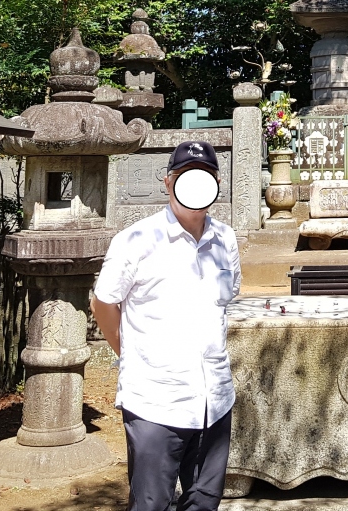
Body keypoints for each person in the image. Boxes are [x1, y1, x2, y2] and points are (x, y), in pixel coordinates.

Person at [91, 139, 241, 511]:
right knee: (151, 503)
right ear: (168, 181)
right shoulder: (136, 240)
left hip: (214, 400)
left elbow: (225, 301)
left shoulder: (225, 239)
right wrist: (130, 355)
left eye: (205, 175)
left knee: (204, 502)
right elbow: (103, 303)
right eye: (186, 175)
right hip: (156, 401)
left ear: (217, 183)